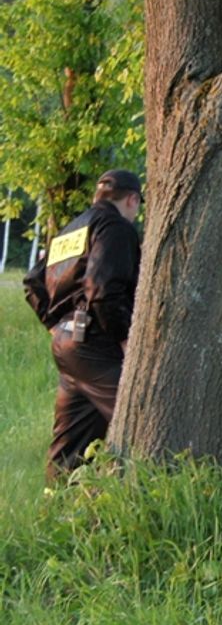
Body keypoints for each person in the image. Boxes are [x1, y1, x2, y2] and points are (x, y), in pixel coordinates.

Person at [23, 170, 143, 482]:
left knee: (69, 445)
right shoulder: (116, 227)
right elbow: (102, 288)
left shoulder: (71, 230)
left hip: (66, 347)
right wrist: (125, 338)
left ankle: (57, 511)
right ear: (132, 199)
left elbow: (33, 281)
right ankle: (150, 499)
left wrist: (54, 323)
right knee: (143, 422)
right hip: (97, 345)